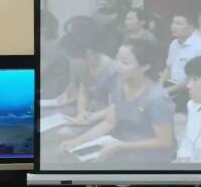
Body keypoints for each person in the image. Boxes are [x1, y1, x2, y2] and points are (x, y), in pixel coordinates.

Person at [60, 39, 175, 167]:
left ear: (145, 67)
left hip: (149, 153)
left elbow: (164, 141)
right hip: (121, 142)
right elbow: (109, 122)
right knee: (71, 156)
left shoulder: (156, 98)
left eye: (125, 63)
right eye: (117, 59)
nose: (118, 66)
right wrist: (77, 141)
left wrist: (122, 146)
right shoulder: (119, 83)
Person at [162, 13, 201, 111]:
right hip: (171, 85)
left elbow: (196, 79)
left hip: (189, 90)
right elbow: (168, 69)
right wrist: (158, 87)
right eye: (173, 23)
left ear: (191, 26)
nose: (173, 26)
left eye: (179, 24)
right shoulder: (174, 44)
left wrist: (166, 91)